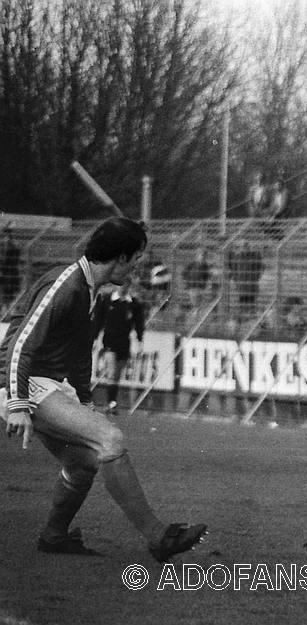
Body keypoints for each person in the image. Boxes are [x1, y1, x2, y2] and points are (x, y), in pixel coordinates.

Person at [0, 217, 206, 560]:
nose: (137, 268)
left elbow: (80, 352)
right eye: (136, 260)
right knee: (109, 439)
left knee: (83, 463)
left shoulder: (90, 289)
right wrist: (18, 402)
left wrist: (83, 401)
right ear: (120, 258)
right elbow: (21, 343)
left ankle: (54, 537)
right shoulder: (67, 284)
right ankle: (159, 538)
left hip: (42, 382)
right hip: (20, 379)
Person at [93, 280, 145, 414]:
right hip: (109, 341)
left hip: (124, 342)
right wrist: (94, 338)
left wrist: (139, 341)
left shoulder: (133, 304)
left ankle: (112, 402)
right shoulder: (107, 300)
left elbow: (139, 324)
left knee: (117, 375)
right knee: (111, 371)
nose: (122, 287)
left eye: (125, 284)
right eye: (120, 284)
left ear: (129, 286)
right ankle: (111, 403)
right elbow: (99, 320)